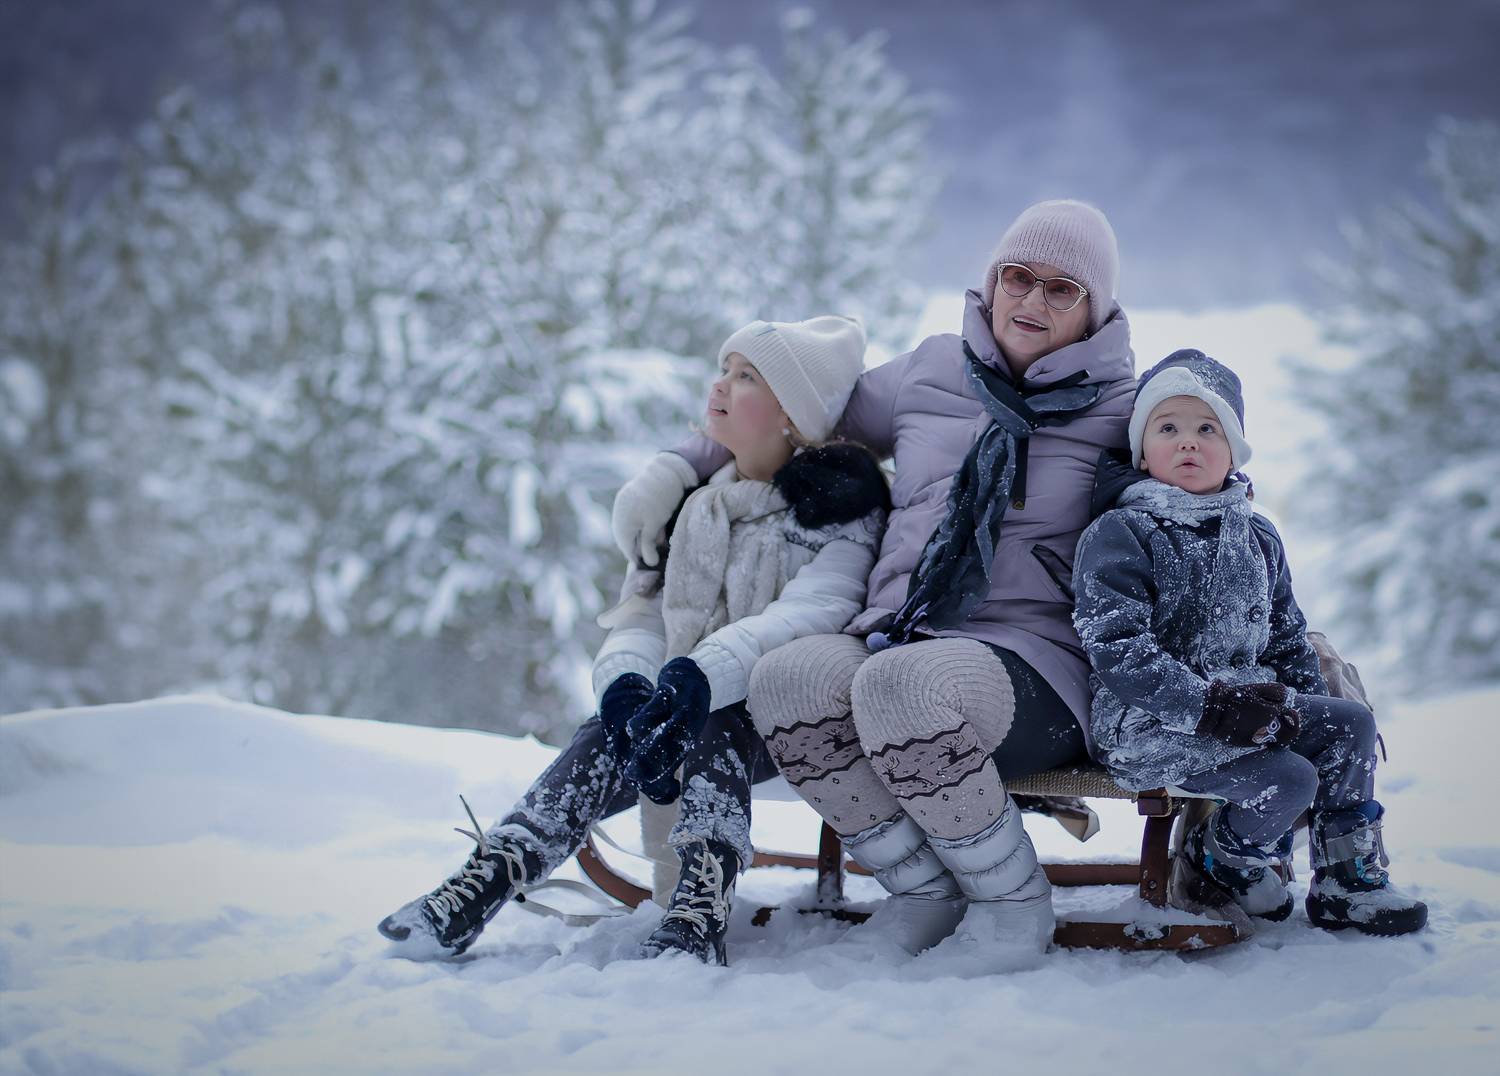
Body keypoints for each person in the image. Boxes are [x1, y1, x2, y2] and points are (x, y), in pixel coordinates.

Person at [611, 200, 1137, 960]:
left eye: (1063, 288)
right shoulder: (931, 370)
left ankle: (1012, 902)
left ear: (1096, 309)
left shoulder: (1125, 409)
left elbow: (1201, 484)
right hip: (902, 629)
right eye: (1018, 277)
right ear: (992, 282)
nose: (1032, 299)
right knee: (786, 677)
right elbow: (789, 415)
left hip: (1037, 661)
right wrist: (676, 467)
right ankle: (924, 890)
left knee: (899, 685)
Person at [378, 316, 890, 964]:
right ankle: (494, 872)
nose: (720, 385)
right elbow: (643, 615)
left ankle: (700, 902)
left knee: (714, 718)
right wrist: (627, 683)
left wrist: (699, 678)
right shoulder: (691, 505)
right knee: (608, 728)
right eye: (724, 369)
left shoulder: (841, 510)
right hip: (686, 696)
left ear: (791, 414)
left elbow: (815, 610)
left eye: (746, 377)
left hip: (789, 714)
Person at [1072, 349, 1427, 935]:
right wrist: (1208, 707)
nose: (1188, 441)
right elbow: (1117, 648)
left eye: (1207, 429)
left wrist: (1306, 711)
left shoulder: (1257, 535)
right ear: (1142, 452)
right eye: (1168, 428)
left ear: (1234, 450)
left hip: (1248, 707)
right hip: (1151, 725)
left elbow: (1286, 638)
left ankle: (1347, 881)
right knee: (1292, 778)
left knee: (1349, 724)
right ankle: (1221, 859)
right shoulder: (1122, 532)